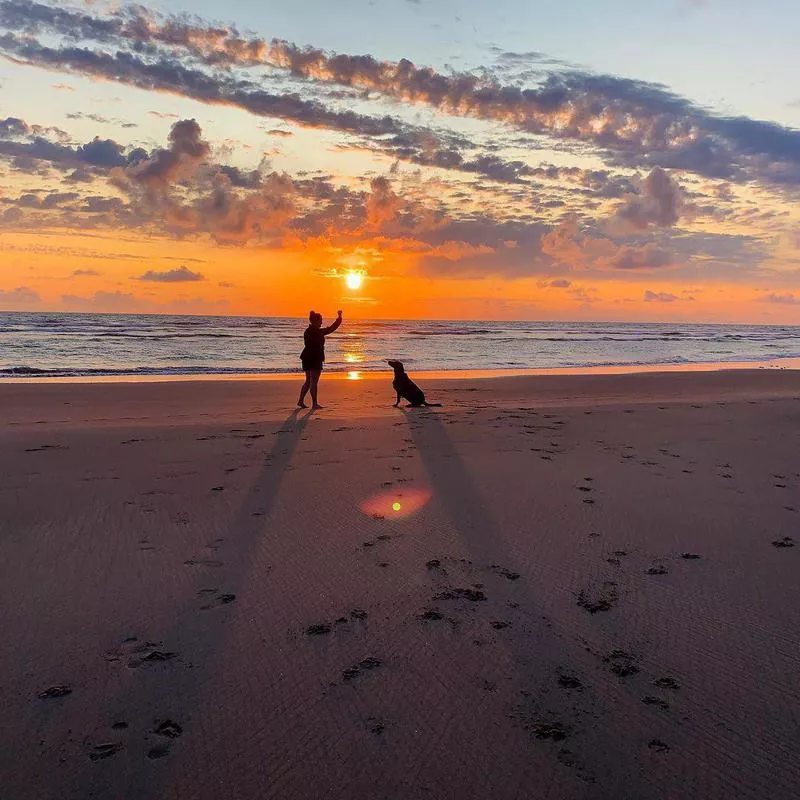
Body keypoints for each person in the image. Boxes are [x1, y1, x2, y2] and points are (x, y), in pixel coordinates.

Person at [298, 309, 343, 409]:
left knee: (309, 381)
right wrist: (339, 318)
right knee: (313, 381)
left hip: (307, 357)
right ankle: (314, 403)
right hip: (314, 358)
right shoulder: (314, 332)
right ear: (314, 321)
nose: (322, 322)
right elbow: (330, 329)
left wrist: (339, 318)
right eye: (320, 320)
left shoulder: (312, 331)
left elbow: (331, 328)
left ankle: (301, 401)